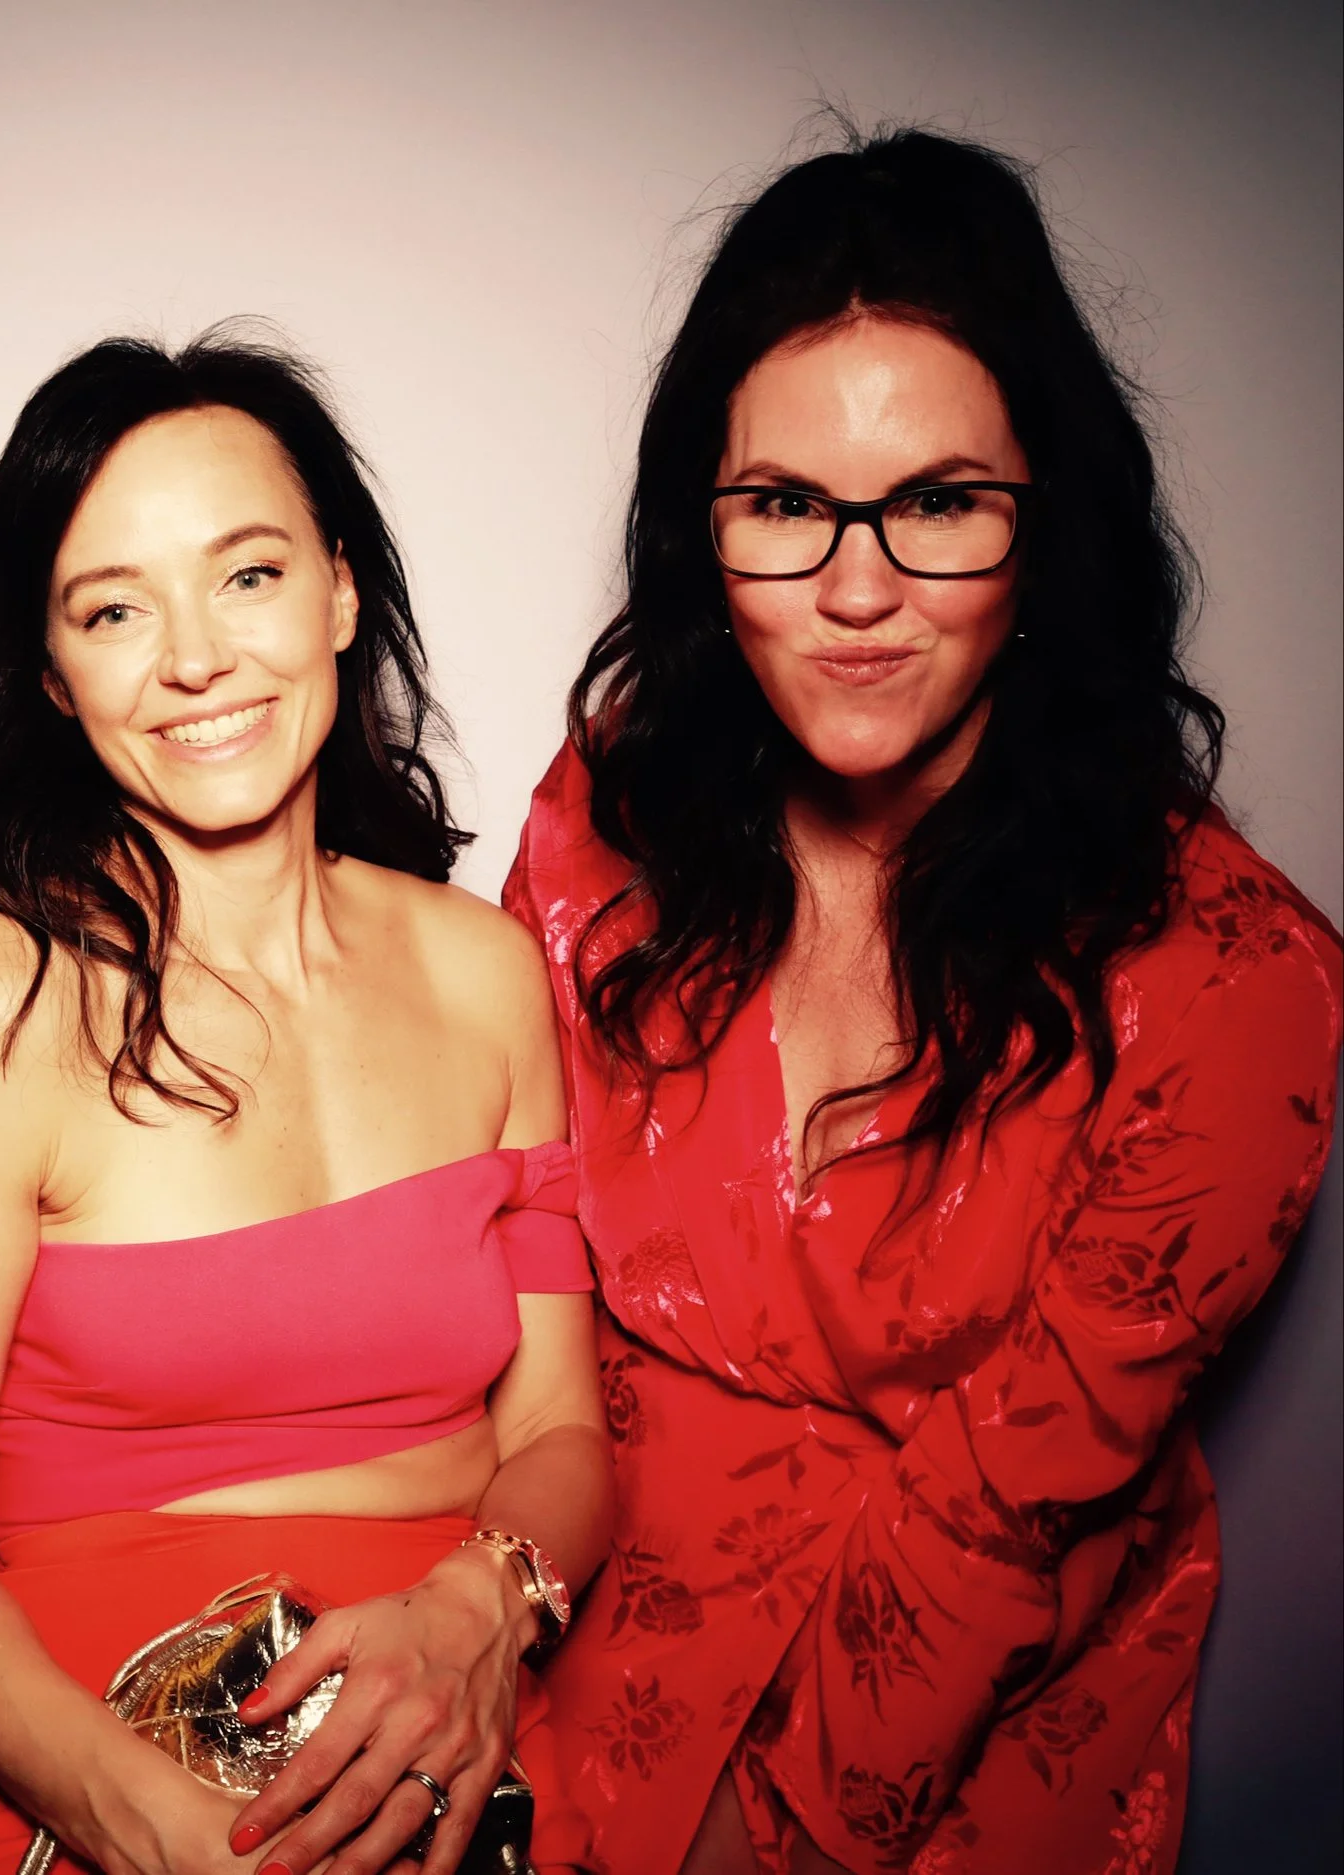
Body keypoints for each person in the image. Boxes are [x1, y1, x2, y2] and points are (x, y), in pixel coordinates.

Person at [506, 129, 1342, 1875]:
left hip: (965, 1734)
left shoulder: (1233, 978)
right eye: (785, 505)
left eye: (941, 503)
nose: (859, 590)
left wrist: (747, 1846)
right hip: (567, 1654)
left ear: (1048, 526)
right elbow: (504, 1292)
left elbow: (1007, 1517)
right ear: (704, 525)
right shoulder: (605, 824)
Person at [0, 332, 614, 1875]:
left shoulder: (485, 976)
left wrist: (481, 1604)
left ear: (339, 593)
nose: (194, 658)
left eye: (247, 574)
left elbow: (562, 1430)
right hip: (81, 1783)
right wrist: (158, 1828)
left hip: (465, 1764)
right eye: (114, 610)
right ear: (53, 676)